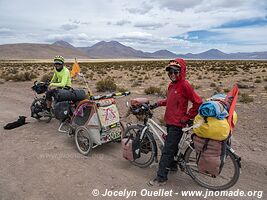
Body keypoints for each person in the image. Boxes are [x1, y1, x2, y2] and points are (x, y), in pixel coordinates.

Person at [148, 58, 202, 186]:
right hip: (170, 121)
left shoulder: (184, 85)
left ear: (182, 71)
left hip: (177, 124)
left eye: (176, 72)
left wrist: (188, 116)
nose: (172, 74)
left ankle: (161, 178)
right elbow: (170, 100)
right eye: (170, 72)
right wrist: (157, 104)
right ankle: (172, 166)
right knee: (171, 146)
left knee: (167, 151)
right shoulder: (172, 85)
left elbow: (198, 102)